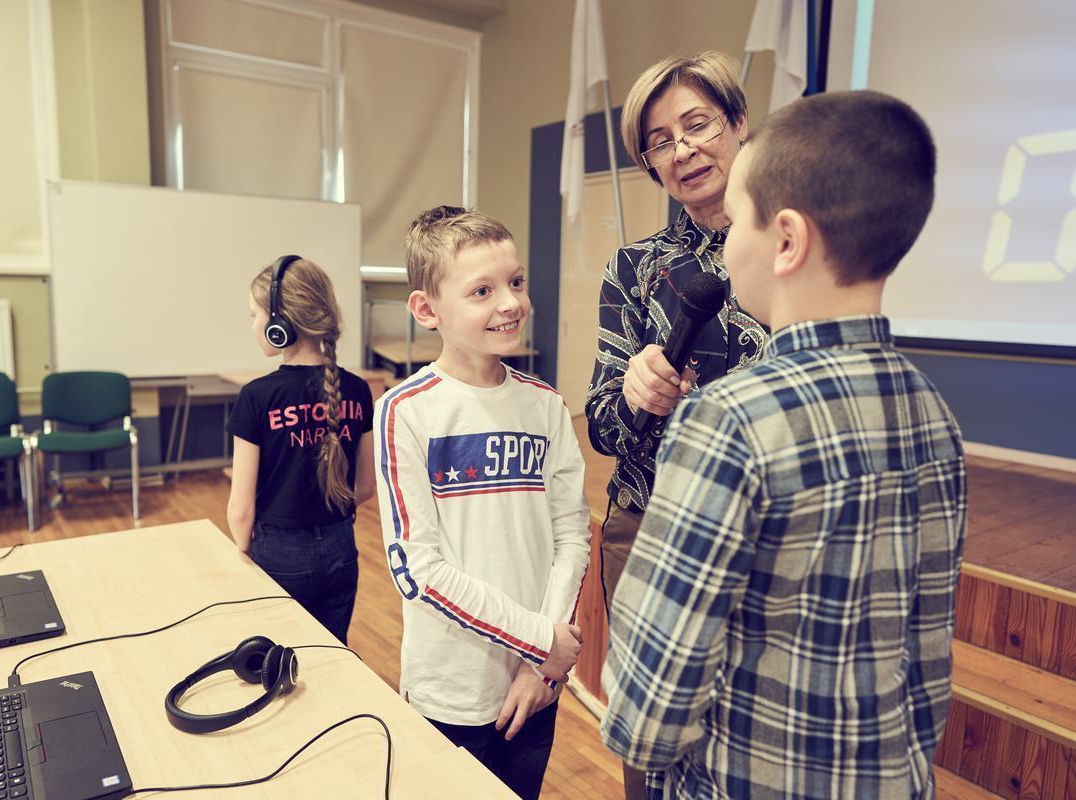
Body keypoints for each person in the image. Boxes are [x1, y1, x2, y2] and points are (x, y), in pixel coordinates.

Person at [600, 90, 968, 799]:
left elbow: (651, 708)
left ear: (787, 240)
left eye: (739, 220)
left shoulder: (726, 419)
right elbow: (927, 662)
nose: (727, 244)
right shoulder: (933, 413)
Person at [584, 50, 768, 799]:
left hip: (761, 534)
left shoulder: (789, 249)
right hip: (646, 528)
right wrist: (635, 395)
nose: (683, 149)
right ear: (651, 166)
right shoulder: (634, 269)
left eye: (698, 125)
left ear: (739, 124)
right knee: (652, 744)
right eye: (660, 141)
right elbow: (602, 429)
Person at [373, 206, 591, 799]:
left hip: (536, 684)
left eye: (516, 281)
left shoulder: (546, 405)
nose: (511, 302)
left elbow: (571, 535)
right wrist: (541, 639)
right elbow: (418, 570)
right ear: (428, 310)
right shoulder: (405, 411)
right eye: (482, 291)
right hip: (451, 690)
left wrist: (542, 664)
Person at [226, 256, 376, 645]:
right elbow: (365, 487)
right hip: (342, 548)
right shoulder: (358, 390)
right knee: (333, 652)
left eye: (255, 315)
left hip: (279, 554)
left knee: (281, 661)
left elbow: (240, 509)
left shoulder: (257, 397)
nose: (253, 326)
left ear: (281, 324)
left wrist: (246, 556)